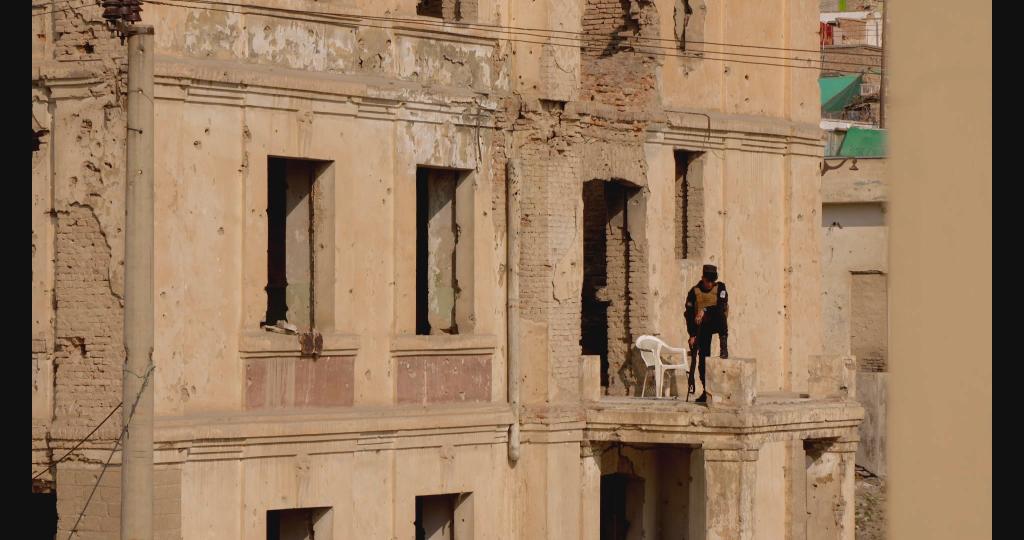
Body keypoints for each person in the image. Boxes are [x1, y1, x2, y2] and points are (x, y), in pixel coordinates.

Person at [684, 264, 729, 403]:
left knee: (721, 314)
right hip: (702, 327)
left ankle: (723, 344)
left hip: (716, 321)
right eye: (707, 280)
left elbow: (721, 306)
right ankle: (706, 391)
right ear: (702, 278)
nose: (710, 283)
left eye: (712, 281)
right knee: (703, 360)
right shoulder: (694, 292)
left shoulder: (720, 288)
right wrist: (692, 335)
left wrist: (705, 310)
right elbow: (689, 314)